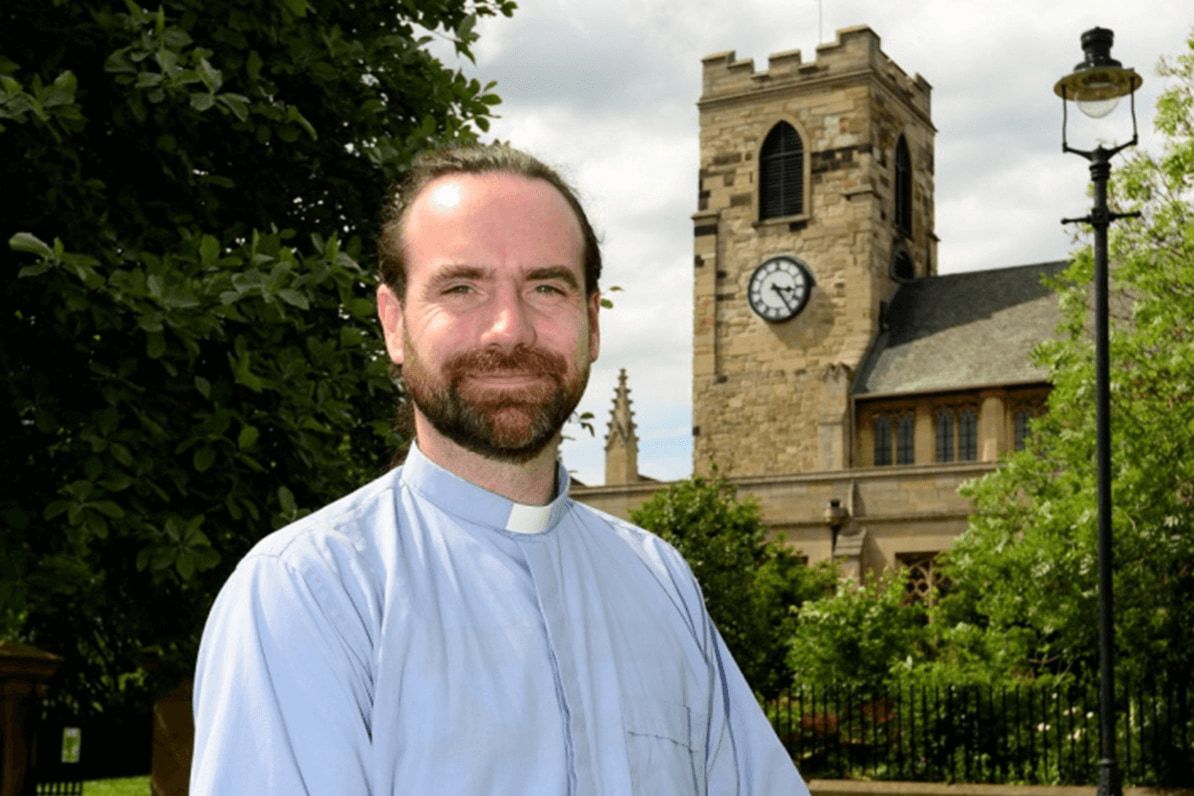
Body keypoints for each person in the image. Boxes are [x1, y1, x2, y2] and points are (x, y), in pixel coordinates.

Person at [189, 144, 809, 795]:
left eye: (546, 287)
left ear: (592, 324)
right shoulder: (311, 592)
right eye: (461, 288)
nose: (508, 329)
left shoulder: (661, 581)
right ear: (394, 324)